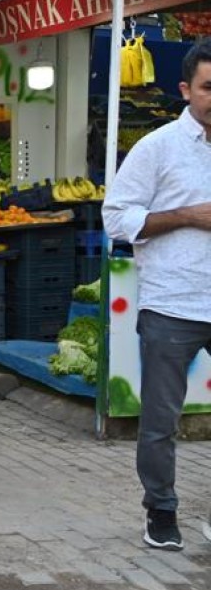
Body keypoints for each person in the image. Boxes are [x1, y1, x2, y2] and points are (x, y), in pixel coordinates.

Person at [102, 38, 211, 551]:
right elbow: (116, 219)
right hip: (172, 304)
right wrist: (188, 215)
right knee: (160, 422)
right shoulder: (157, 147)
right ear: (186, 89)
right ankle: (161, 512)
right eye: (209, 87)